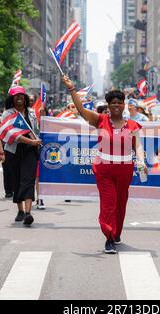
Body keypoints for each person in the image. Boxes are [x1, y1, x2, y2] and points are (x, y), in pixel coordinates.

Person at [62, 74, 147, 254]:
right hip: (104, 169)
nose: (116, 105)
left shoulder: (133, 125)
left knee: (121, 203)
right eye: (113, 102)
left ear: (124, 105)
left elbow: (138, 145)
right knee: (109, 203)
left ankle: (116, 233)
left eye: (119, 102)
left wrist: (140, 160)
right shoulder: (100, 120)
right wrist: (71, 89)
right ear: (108, 105)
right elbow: (81, 110)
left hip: (125, 169)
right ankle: (108, 237)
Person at [1, 86, 42, 226]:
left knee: (28, 180)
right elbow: (13, 135)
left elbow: (36, 130)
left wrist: (37, 138)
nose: (19, 98)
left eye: (21, 95)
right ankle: (20, 210)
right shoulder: (7, 114)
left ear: (25, 98)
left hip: (30, 151)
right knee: (17, 180)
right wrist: (32, 141)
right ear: (11, 99)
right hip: (13, 151)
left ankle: (28, 213)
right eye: (16, 96)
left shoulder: (31, 112)